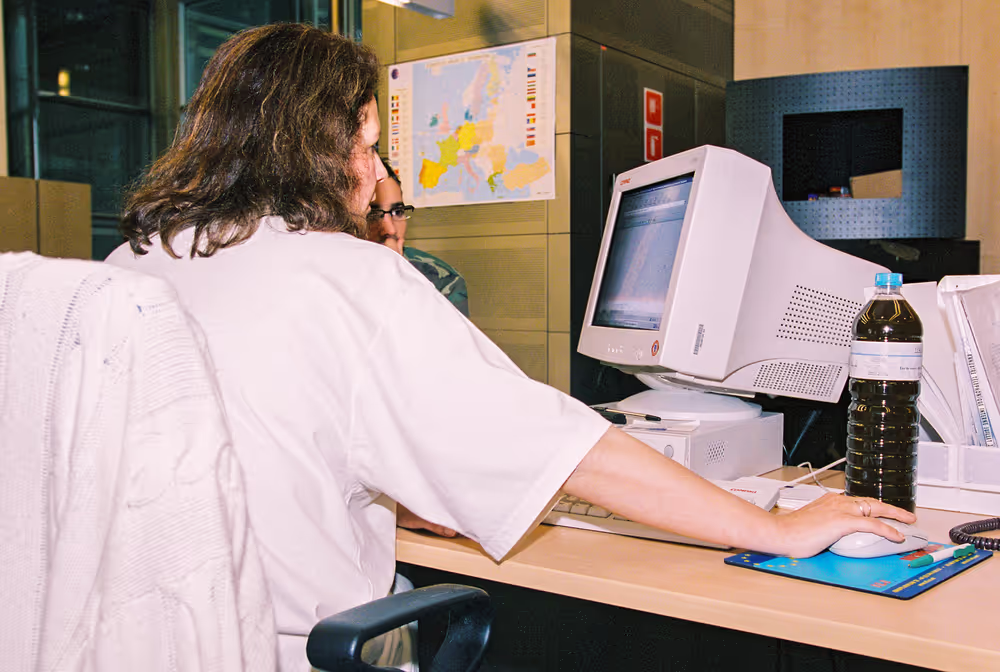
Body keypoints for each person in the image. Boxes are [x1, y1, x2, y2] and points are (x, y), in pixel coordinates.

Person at [107, 23, 915, 671]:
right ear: (314, 150)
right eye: (366, 145)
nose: (376, 173)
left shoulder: (132, 267)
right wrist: (774, 529)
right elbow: (569, 455)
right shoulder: (344, 276)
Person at [368, 157, 470, 317]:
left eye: (398, 212)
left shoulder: (442, 279)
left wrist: (397, 278)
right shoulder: (333, 274)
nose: (390, 229)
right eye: (374, 214)